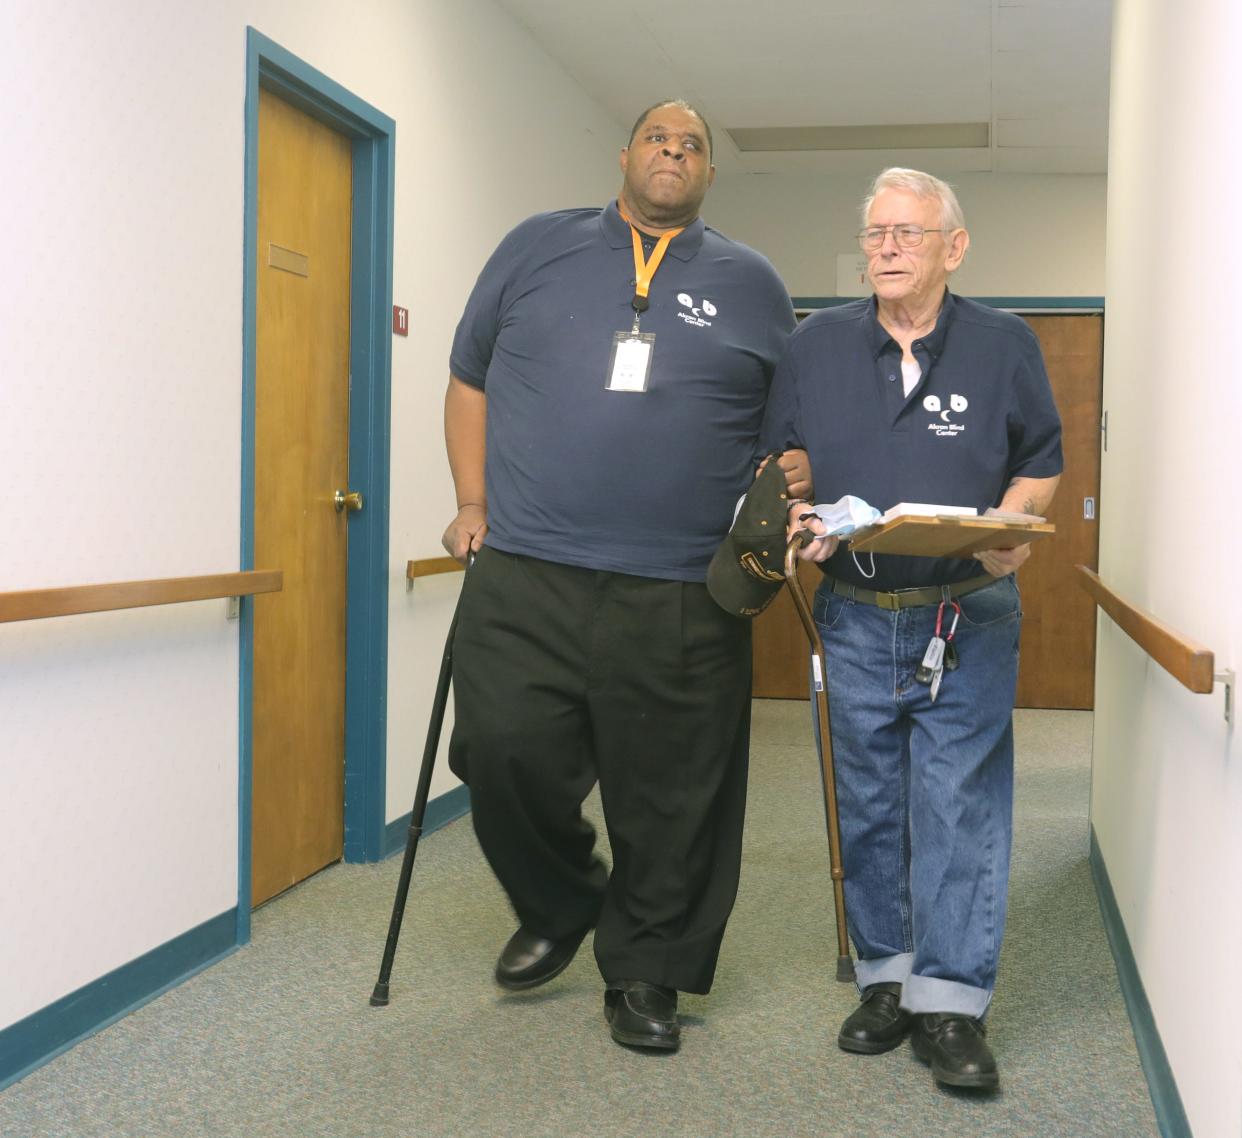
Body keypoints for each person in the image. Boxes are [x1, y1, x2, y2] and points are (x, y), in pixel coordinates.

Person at [439, 100, 801, 1052]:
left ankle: (646, 974)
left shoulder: (754, 283)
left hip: (684, 583)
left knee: (672, 794)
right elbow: (468, 378)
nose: (672, 152)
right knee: (500, 749)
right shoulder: (536, 247)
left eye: (691, 145)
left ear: (709, 174)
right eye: (657, 138)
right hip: (527, 565)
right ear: (626, 154)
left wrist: (793, 476)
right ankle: (563, 902)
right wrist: (471, 503)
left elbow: (786, 434)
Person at [762, 168, 1062, 1090]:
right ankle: (886, 979)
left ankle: (952, 1003)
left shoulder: (1004, 344)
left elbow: (1039, 461)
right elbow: (789, 460)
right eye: (877, 234)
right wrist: (796, 511)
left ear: (953, 248)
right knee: (873, 802)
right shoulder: (816, 345)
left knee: (958, 804)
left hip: (965, 611)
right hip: (856, 613)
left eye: (908, 234)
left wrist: (1013, 531)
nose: (887, 249)